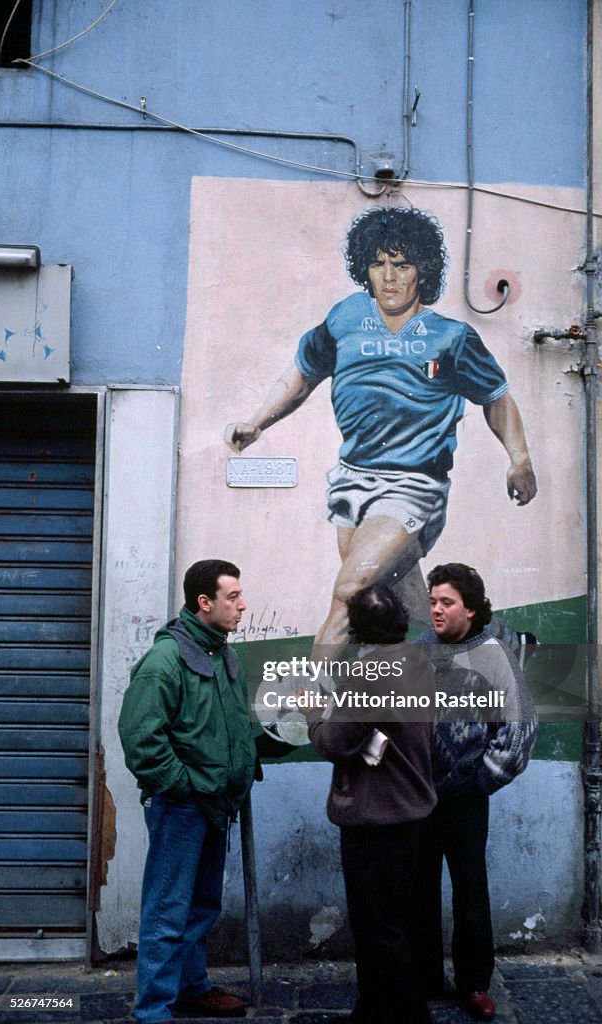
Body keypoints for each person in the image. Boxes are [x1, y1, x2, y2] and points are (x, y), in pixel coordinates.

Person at [225, 206, 537, 654]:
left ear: (422, 272)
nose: (389, 277)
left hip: (413, 486)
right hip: (352, 479)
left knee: (350, 592)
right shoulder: (345, 317)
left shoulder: (451, 336)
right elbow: (301, 375)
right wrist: (256, 423)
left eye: (402, 265)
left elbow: (495, 397)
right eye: (378, 264)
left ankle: (311, 707)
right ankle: (496, 648)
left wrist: (520, 459)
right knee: (387, 604)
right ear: (365, 269)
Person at [118, 560, 256, 1023]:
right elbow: (142, 741)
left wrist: (249, 758)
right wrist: (185, 786)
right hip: (183, 806)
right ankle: (154, 1009)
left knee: (202, 905)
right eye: (232, 597)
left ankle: (191, 987)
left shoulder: (223, 655)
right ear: (204, 603)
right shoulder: (164, 662)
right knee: (167, 910)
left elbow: (226, 724)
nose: (242, 605)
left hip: (216, 802)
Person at [303, 585, 437, 1024]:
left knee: (376, 927)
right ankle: (374, 1009)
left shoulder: (368, 675)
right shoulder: (418, 662)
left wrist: (313, 712)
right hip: (412, 811)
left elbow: (333, 742)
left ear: (359, 632)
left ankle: (408, 1015)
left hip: (375, 817)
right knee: (393, 922)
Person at [410, 563, 539, 1022]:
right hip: (419, 796)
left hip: (466, 798)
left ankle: (475, 984)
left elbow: (521, 729)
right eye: (433, 601)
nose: (437, 610)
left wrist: (481, 780)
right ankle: (423, 977)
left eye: (446, 602)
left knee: (469, 890)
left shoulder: (493, 657)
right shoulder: (420, 649)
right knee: (418, 889)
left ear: (471, 607)